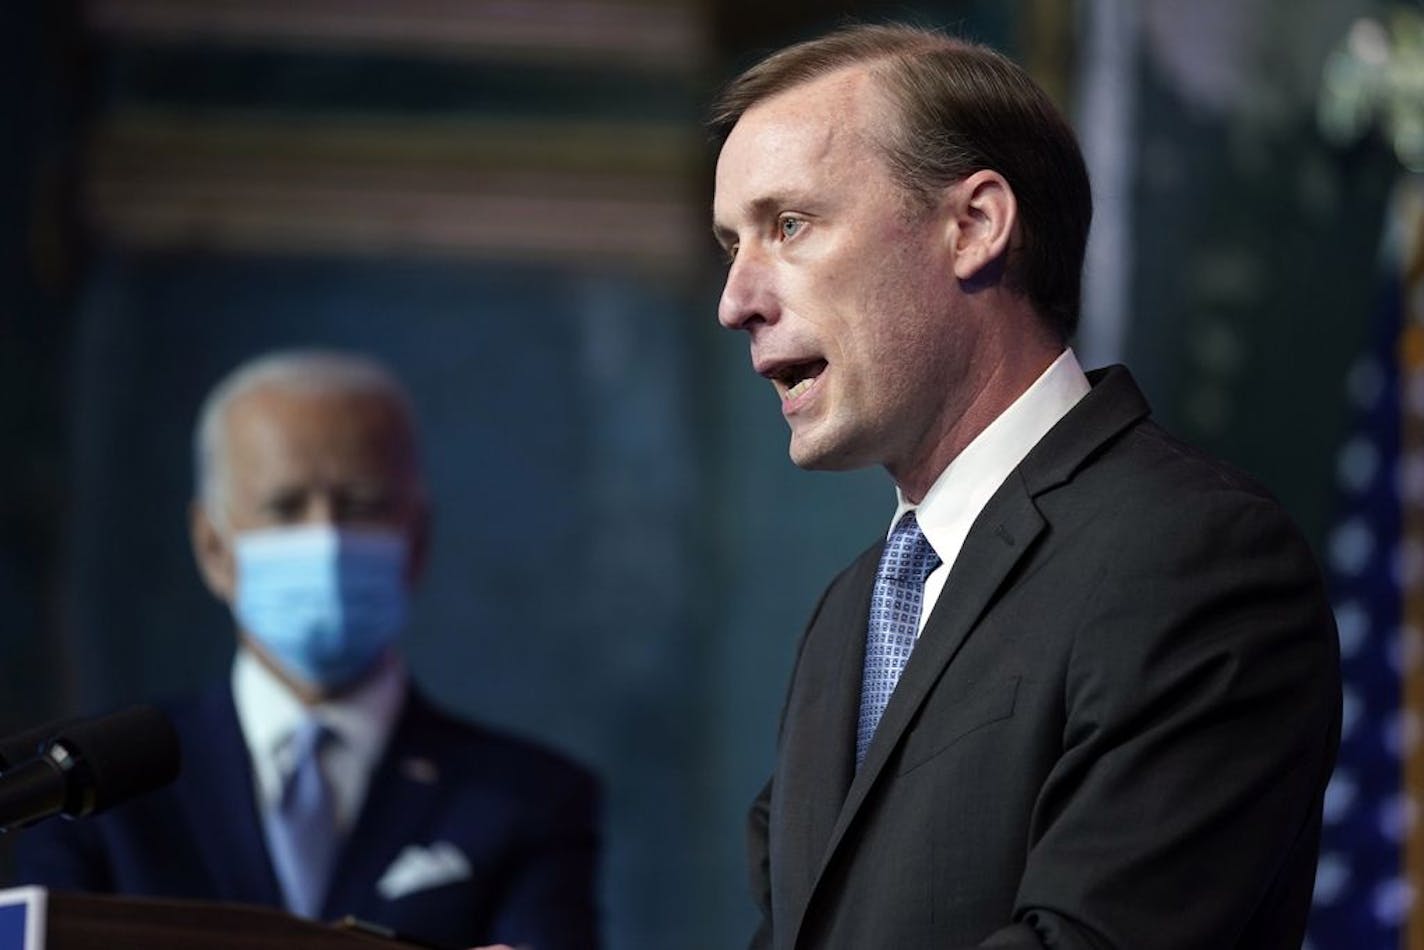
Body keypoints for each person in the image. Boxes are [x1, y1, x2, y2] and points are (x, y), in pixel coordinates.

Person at [710, 23, 1340, 950]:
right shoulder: (850, 617)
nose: (736, 299)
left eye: (789, 226)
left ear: (973, 226)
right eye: (732, 244)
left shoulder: (1196, 562)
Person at [13, 350, 601, 950]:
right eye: (285, 507)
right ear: (214, 547)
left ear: (417, 540)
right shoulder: (90, 783)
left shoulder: (527, 799)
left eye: (362, 505)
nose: (326, 539)